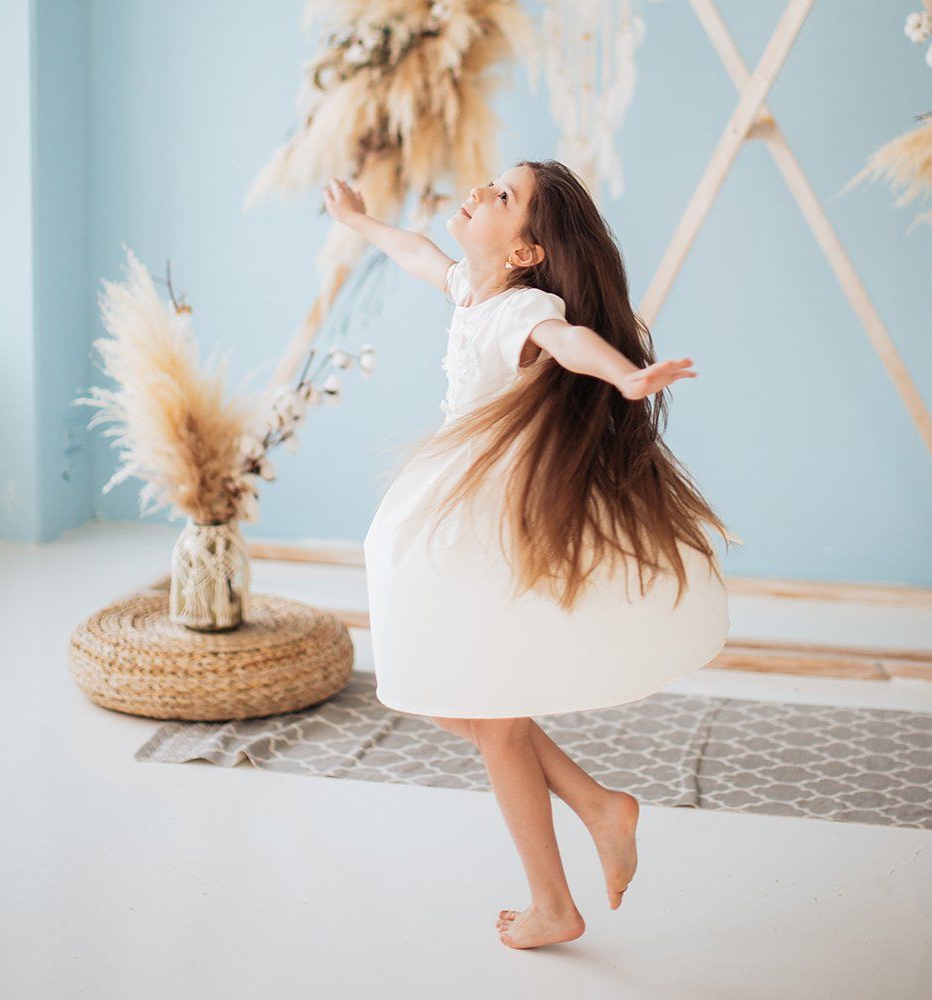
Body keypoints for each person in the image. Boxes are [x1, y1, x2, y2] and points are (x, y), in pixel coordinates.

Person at [323, 160, 739, 950]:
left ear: (524, 252)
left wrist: (626, 376)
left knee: (493, 715)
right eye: (493, 182)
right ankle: (595, 805)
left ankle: (555, 900)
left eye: (504, 196)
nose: (481, 190)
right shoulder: (468, 287)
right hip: (452, 503)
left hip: (487, 521)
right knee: (454, 699)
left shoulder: (523, 308)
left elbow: (569, 341)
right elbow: (412, 250)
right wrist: (356, 221)